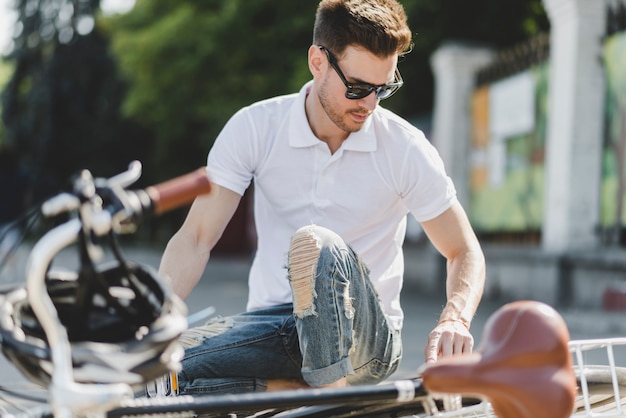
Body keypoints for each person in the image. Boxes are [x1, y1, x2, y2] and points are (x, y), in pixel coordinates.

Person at [158, 0, 485, 395]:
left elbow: (463, 250)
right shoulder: (255, 128)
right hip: (273, 328)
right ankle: (294, 390)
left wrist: (455, 318)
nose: (370, 103)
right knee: (159, 371)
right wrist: (153, 324)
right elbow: (196, 237)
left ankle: (328, 395)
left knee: (316, 244)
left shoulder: (405, 148)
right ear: (317, 61)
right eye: (358, 88)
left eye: (384, 88)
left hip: (366, 336)